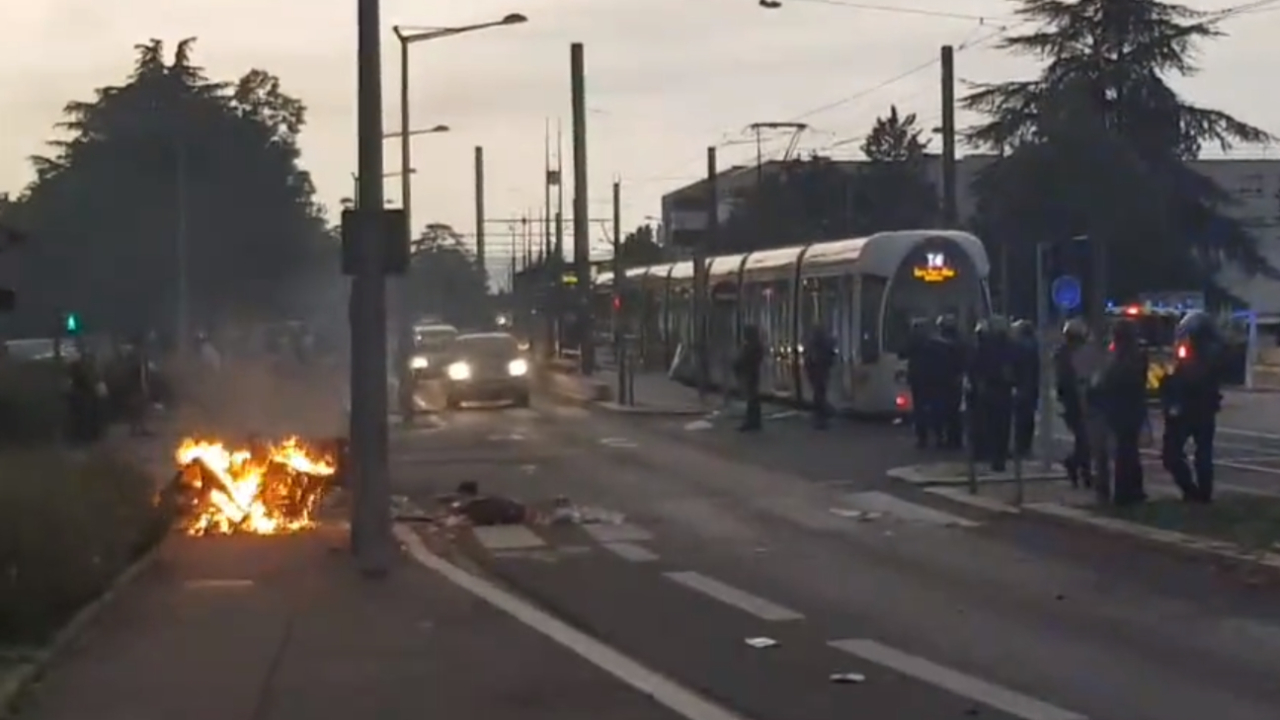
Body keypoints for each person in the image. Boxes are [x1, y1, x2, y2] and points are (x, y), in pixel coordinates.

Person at [1160, 311, 1224, 503]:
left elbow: (1181, 382)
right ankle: (1202, 494)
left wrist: (1172, 400)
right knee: (1202, 453)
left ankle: (1193, 492)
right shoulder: (1212, 354)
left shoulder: (1195, 356)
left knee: (1173, 453)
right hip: (1203, 410)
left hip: (1186, 411)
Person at [1096, 318, 1150, 505]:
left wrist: (1100, 386)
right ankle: (1133, 490)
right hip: (1132, 409)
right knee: (1129, 451)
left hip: (1121, 409)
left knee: (1124, 452)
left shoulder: (1122, 357)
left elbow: (1112, 380)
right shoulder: (1136, 355)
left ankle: (1124, 492)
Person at [968, 316, 1016, 472]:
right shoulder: (1009, 347)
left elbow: (974, 368)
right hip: (1003, 390)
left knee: (990, 425)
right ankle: (999, 458)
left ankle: (993, 456)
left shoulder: (983, 348)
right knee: (1002, 426)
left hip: (990, 390)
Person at [1054, 318, 1093, 488]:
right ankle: (1077, 466)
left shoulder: (1070, 353)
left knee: (1085, 439)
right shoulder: (1065, 355)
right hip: (1075, 402)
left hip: (1082, 400)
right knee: (1084, 438)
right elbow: (1067, 380)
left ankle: (1083, 471)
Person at [932, 314, 966, 449]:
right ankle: (955, 439)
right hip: (953, 381)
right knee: (954, 412)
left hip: (941, 382)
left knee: (940, 412)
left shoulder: (936, 343)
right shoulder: (961, 342)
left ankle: (942, 438)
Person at [903, 318, 936, 447]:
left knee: (919, 407)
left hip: (917, 377)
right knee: (933, 404)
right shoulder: (932, 341)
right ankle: (937, 434)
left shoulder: (913, 341)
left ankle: (922, 437)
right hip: (932, 377)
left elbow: (903, 353)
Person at [1010, 319, 1040, 457]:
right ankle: (1026, 447)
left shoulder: (1020, 347)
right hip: (1032, 387)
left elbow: (1017, 368)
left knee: (1021, 419)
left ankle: (1020, 448)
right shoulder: (1034, 345)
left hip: (1023, 386)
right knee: (1028, 418)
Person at [803, 324, 836, 429]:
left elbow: (809, 361)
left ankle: (820, 419)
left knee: (818, 395)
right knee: (820, 394)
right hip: (821, 374)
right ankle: (821, 418)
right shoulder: (825, 345)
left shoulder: (813, 346)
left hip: (818, 374)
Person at [734, 324, 765, 432]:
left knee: (752, 398)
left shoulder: (752, 346)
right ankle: (754, 421)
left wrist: (739, 366)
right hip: (751, 373)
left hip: (750, 374)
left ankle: (752, 421)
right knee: (753, 397)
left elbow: (744, 359)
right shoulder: (756, 345)